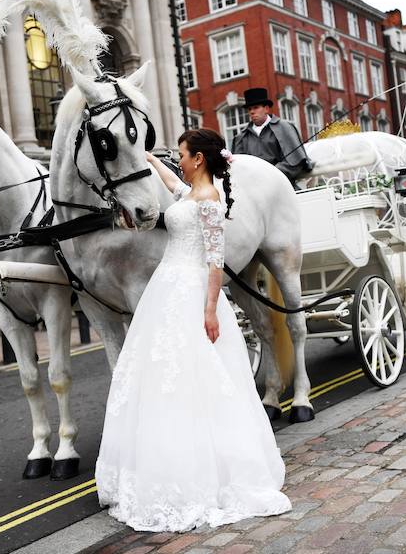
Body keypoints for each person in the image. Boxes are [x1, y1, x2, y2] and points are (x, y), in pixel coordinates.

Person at [95, 128, 291, 532]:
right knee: (159, 375)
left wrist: (210, 309)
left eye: (182, 154)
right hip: (166, 288)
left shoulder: (210, 202)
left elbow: (215, 261)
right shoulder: (189, 194)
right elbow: (173, 184)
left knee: (194, 377)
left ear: (198, 159)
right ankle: (160, 462)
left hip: (192, 290)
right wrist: (149, 159)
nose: (179, 160)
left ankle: (202, 470)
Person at [231, 87, 314, 188]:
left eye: (256, 107)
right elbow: (238, 168)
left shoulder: (284, 127)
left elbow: (296, 162)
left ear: (266, 109)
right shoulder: (241, 137)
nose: (252, 112)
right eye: (249, 109)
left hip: (282, 186)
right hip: (255, 189)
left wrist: (271, 174)